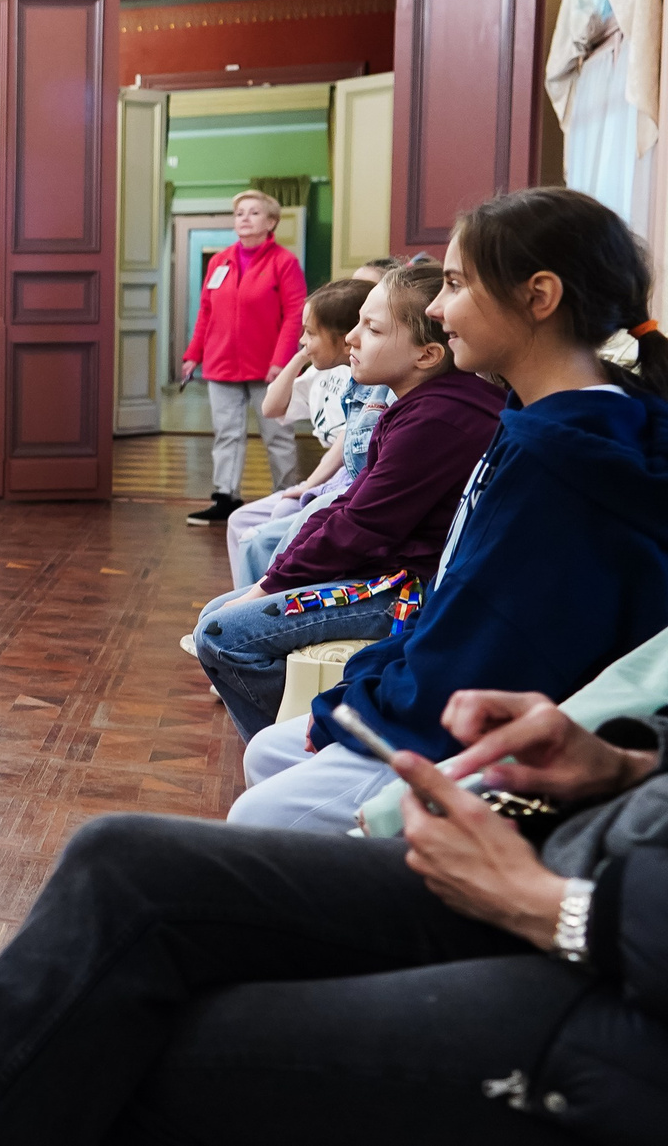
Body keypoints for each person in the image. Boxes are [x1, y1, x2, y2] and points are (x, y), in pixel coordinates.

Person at [0, 685, 668, 1146]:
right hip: (596, 876)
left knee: (140, 1044)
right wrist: (626, 763)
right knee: (123, 864)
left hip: (625, 989)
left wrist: (552, 910)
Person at [228, 187, 668, 835]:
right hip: (444, 689)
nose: (437, 306)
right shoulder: (559, 417)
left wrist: (361, 703)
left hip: (473, 734)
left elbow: (484, 652)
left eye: (456, 284)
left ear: (538, 297)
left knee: (256, 816)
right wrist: (365, 687)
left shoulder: (557, 463)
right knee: (269, 750)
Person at [193, 260, 505, 743]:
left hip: (408, 590)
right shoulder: (420, 406)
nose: (351, 338)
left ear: (426, 354)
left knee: (223, 635)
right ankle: (290, 737)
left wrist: (269, 586)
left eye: (371, 327)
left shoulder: (439, 419)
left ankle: (295, 749)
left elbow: (361, 525)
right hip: (387, 574)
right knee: (217, 612)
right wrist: (273, 580)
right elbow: (346, 507)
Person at [224, 266, 396, 590]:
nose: (303, 339)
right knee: (240, 521)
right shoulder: (323, 373)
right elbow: (271, 407)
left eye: (310, 332)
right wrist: (303, 354)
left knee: (272, 527)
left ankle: (266, 602)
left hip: (341, 480)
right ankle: (246, 598)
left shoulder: (370, 379)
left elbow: (348, 443)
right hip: (328, 479)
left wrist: (308, 484)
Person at [181, 189, 309, 525]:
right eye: (239, 213)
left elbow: (295, 314)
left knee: (278, 435)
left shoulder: (285, 262)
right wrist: (193, 354)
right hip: (221, 363)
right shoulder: (218, 261)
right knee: (226, 434)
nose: (245, 219)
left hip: (269, 366)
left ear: (271, 222)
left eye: (253, 213)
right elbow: (206, 311)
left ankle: (288, 498)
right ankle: (225, 497)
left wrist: (281, 361)